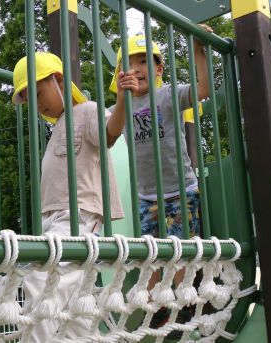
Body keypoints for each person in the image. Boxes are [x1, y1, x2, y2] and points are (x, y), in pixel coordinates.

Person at [11, 52, 125, 342]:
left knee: (43, 286)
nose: (37, 105)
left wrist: (123, 99)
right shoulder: (59, 124)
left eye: (37, 94)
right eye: (29, 102)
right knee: (78, 306)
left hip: (77, 219)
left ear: (59, 80)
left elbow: (110, 133)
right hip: (54, 222)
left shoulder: (86, 110)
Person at [108, 25, 212, 337]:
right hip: (146, 197)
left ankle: (182, 306)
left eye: (144, 62)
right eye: (129, 63)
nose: (137, 68)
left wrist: (198, 53)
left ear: (158, 69)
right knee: (150, 257)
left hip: (180, 191)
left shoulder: (168, 95)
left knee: (177, 252)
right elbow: (106, 134)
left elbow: (203, 91)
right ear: (119, 74)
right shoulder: (120, 109)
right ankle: (161, 309)